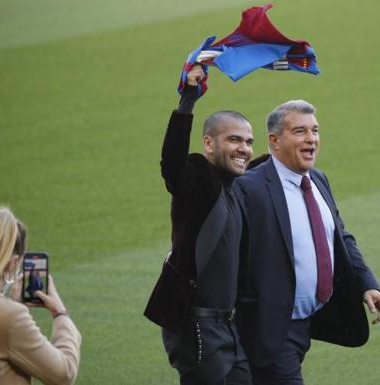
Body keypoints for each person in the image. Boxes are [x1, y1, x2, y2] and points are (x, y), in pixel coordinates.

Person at [235, 100, 380, 385]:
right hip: (270, 328)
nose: (311, 139)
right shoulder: (250, 188)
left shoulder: (317, 179)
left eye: (315, 131)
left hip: (309, 322)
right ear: (275, 140)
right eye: (300, 131)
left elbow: (339, 236)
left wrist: (366, 282)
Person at [144, 64, 254, 385]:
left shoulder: (237, 189)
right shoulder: (198, 178)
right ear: (209, 144)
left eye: (248, 141)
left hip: (229, 329)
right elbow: (172, 167)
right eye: (234, 140)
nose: (244, 149)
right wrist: (187, 102)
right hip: (198, 327)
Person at [0, 207, 81, 385]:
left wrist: (8, 303)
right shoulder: (10, 316)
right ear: (12, 263)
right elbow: (64, 373)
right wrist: (60, 314)